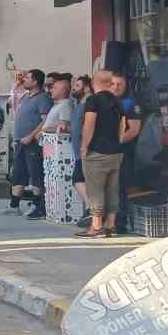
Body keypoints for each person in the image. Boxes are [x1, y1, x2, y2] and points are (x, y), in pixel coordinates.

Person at [77, 70, 125, 238]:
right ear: (109, 82)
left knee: (95, 189)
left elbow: (89, 124)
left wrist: (84, 146)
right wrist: (118, 141)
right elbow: (122, 125)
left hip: (97, 151)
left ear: (93, 82)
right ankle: (111, 225)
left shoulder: (93, 100)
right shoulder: (117, 101)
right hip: (116, 152)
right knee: (112, 189)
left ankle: (96, 226)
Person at [40, 76, 84, 223]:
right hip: (51, 152)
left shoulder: (65, 105)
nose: (51, 90)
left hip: (61, 152)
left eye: (55, 88)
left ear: (64, 90)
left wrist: (47, 129)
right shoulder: (57, 104)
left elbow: (63, 126)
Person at [111, 72, 146, 234]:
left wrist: (115, 142)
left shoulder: (129, 103)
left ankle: (119, 224)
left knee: (119, 188)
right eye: (113, 84)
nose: (116, 87)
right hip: (105, 154)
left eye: (120, 84)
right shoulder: (105, 101)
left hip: (122, 153)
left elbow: (134, 130)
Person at [12, 69, 50, 218]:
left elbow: (45, 120)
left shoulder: (43, 98)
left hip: (32, 142)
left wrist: (31, 136)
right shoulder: (26, 96)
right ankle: (14, 206)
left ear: (35, 81)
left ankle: (37, 206)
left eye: (27, 78)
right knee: (18, 173)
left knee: (35, 174)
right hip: (20, 141)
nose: (24, 80)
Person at [70, 74, 92, 224]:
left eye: (77, 86)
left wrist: (85, 146)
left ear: (87, 88)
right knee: (81, 180)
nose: (74, 89)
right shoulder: (79, 105)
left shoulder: (89, 105)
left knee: (78, 179)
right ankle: (89, 210)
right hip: (79, 151)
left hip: (86, 150)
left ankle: (92, 209)